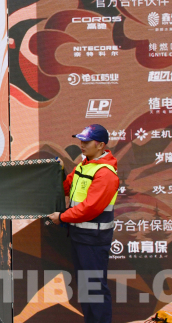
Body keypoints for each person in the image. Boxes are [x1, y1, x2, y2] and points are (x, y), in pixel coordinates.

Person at [48, 125, 119, 323]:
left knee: (95, 288)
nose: (82, 145)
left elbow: (90, 208)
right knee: (87, 288)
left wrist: (62, 217)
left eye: (86, 142)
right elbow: (65, 187)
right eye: (81, 141)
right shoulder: (83, 165)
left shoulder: (105, 174)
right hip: (80, 237)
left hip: (93, 240)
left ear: (101, 145)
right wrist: (57, 171)